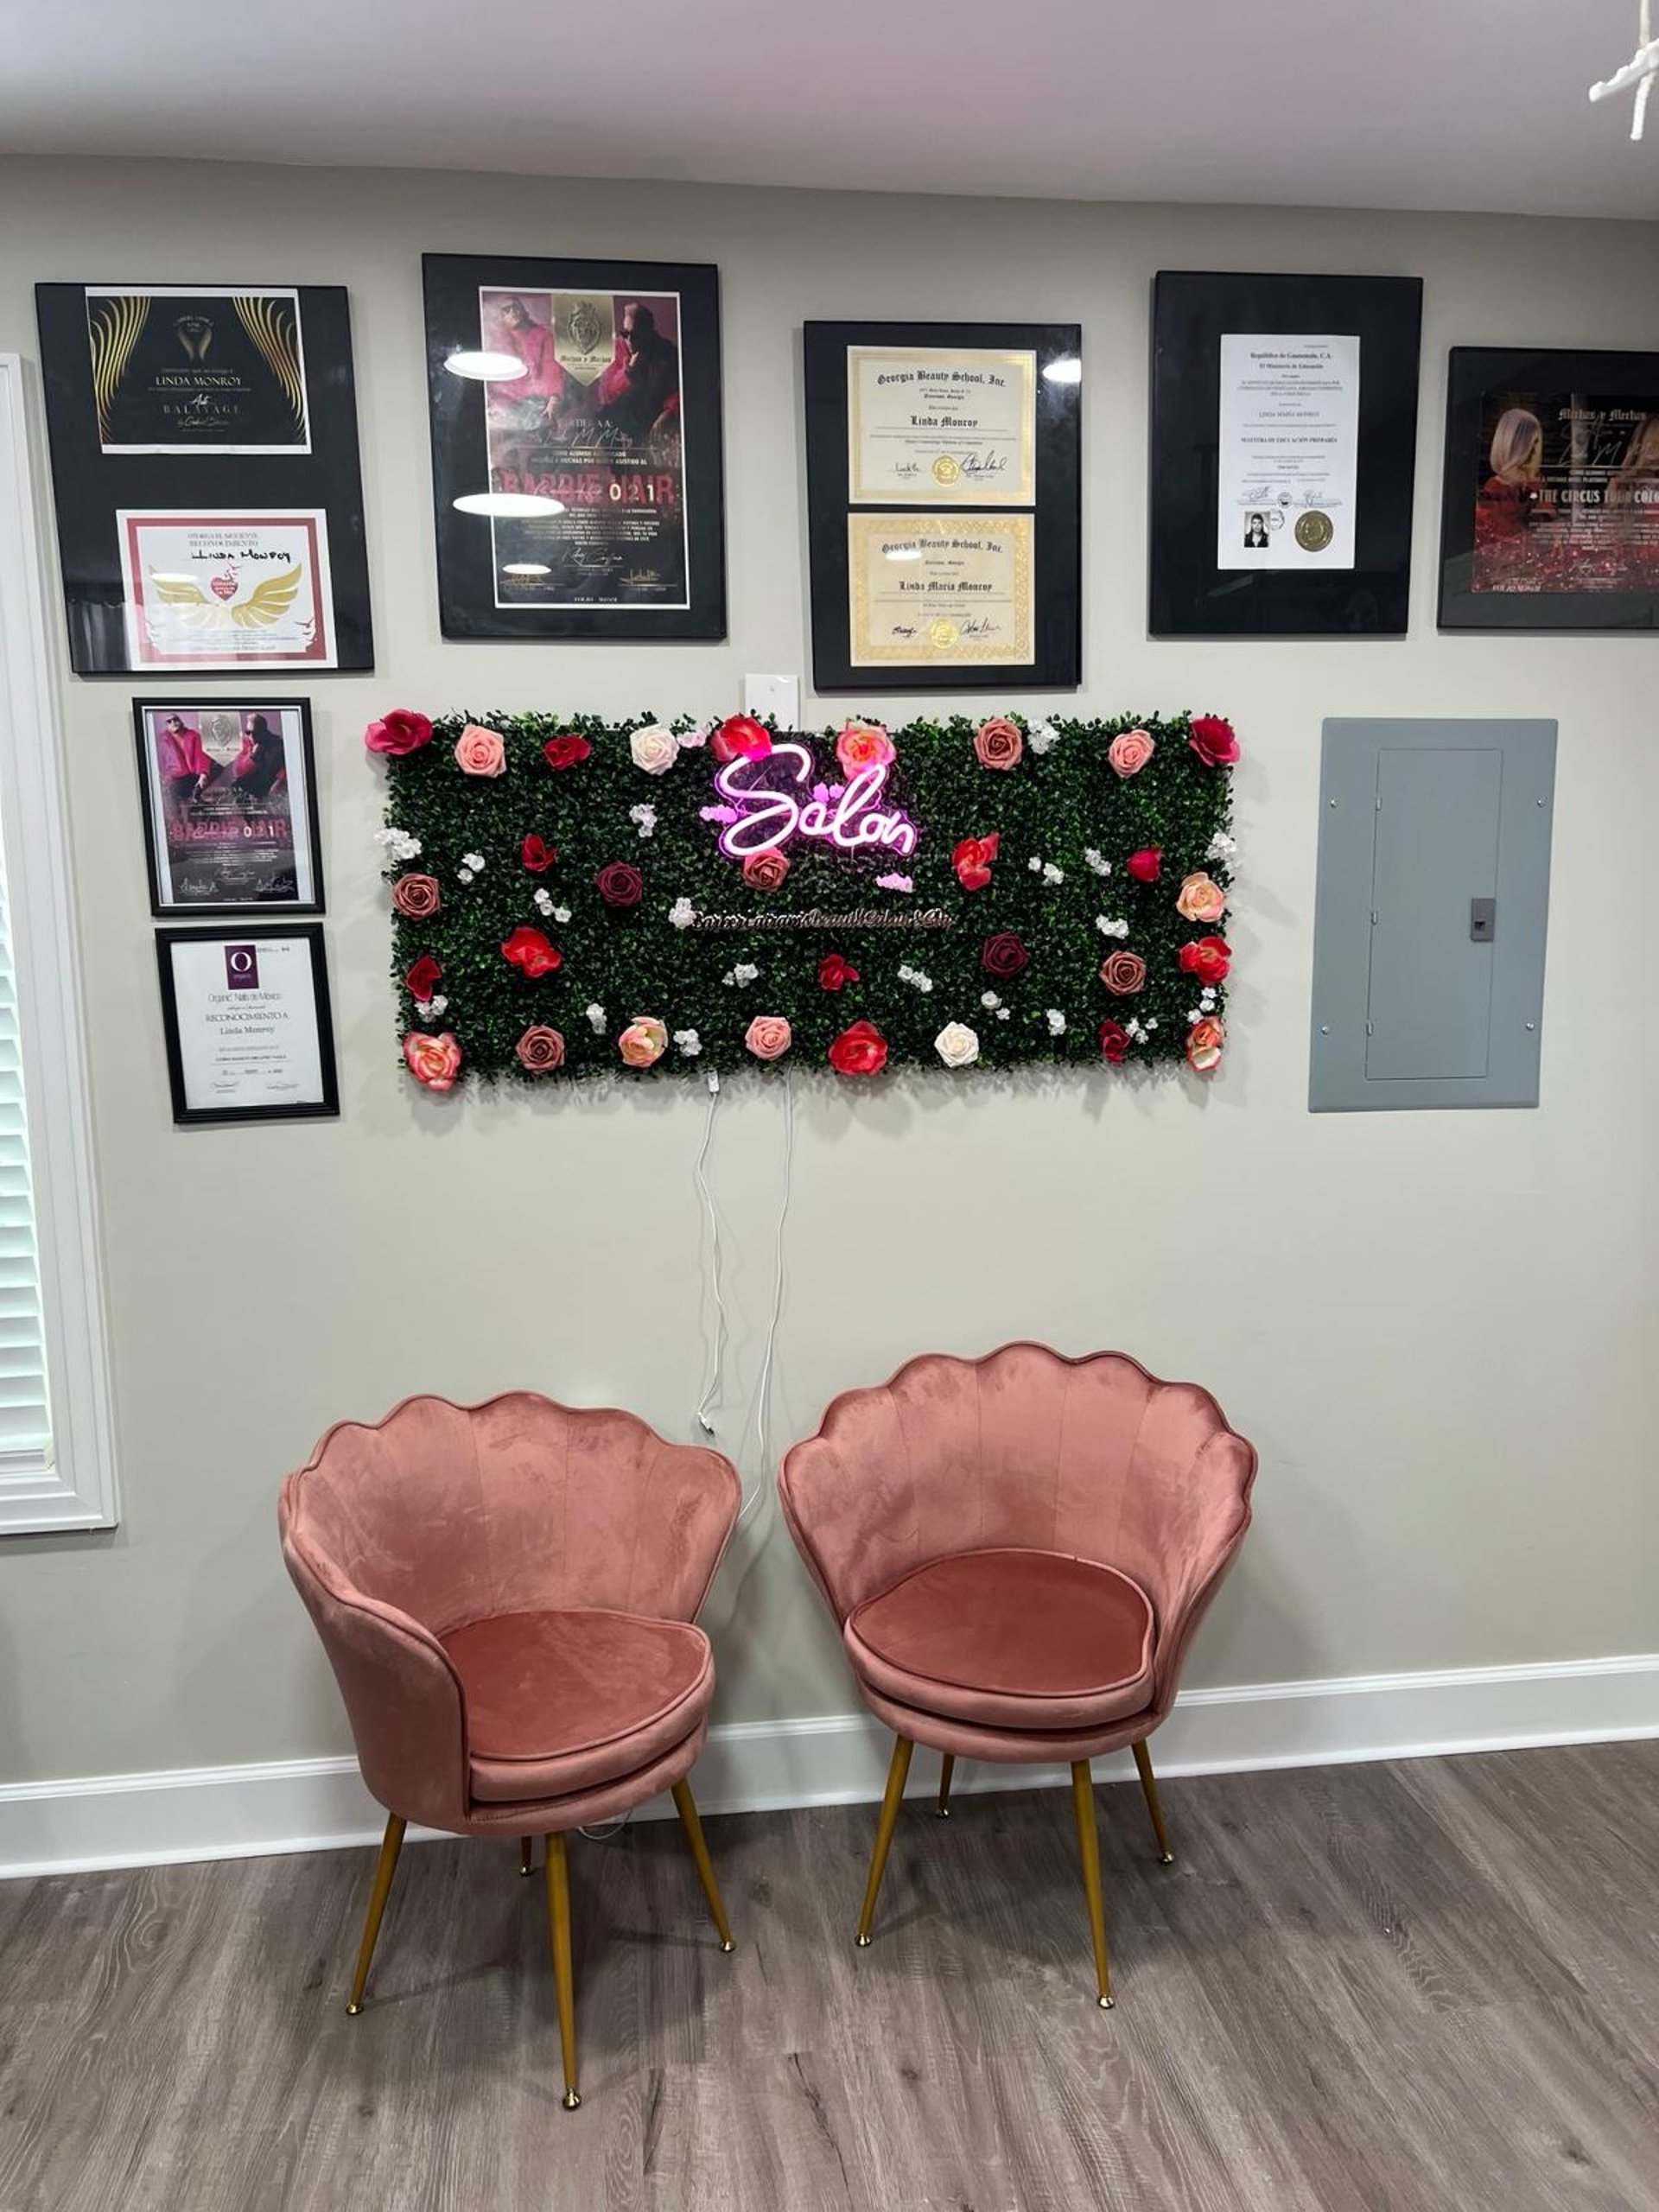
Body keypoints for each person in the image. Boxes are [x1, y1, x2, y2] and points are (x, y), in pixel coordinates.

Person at [595, 302, 679, 442]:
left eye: (635, 335)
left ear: (649, 333)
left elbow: (678, 390)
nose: (629, 340)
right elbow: (605, 395)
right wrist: (628, 371)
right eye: (625, 334)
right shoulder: (616, 348)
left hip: (654, 425)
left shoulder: (667, 351)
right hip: (619, 427)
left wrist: (669, 412)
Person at [1475, 406, 1551, 548]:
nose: (1534, 451)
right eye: (1528, 444)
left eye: (1536, 443)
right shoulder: (1494, 489)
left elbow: (1549, 518)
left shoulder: (1536, 482)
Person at [491, 296, 568, 425]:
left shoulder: (543, 336)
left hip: (539, 399)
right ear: (502, 318)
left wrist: (553, 399)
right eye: (507, 310)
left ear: (524, 311)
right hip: (509, 403)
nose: (512, 312)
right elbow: (495, 382)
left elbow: (551, 369)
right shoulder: (497, 341)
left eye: (516, 308)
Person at [156, 712, 214, 817]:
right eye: (169, 721)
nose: (173, 723)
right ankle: (177, 820)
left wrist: (203, 774)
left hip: (194, 774)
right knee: (172, 790)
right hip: (175, 777)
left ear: (180, 721)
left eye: (175, 719)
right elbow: (160, 760)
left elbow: (201, 756)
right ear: (166, 725)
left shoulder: (193, 736)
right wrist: (164, 776)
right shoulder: (162, 740)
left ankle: (196, 810)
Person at [229, 712, 289, 809]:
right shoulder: (245, 742)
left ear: (264, 731)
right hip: (256, 781)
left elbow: (286, 768)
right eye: (248, 732)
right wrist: (252, 756)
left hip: (272, 782)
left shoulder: (277, 743)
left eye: (256, 733)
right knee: (236, 785)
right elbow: (237, 771)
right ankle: (248, 815)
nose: (252, 737)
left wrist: (278, 783)